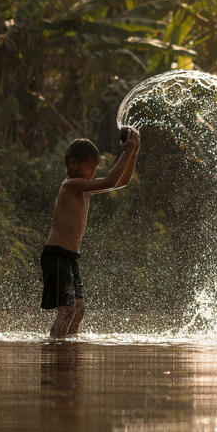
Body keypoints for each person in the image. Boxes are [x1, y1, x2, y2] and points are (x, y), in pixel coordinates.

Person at [41, 129, 141, 338]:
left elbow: (122, 182)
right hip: (56, 255)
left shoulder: (84, 188)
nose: (94, 173)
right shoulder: (71, 184)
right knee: (67, 311)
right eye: (92, 167)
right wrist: (127, 150)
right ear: (73, 164)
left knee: (78, 311)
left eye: (97, 168)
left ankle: (69, 353)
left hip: (69, 257)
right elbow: (111, 181)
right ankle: (54, 354)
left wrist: (134, 151)